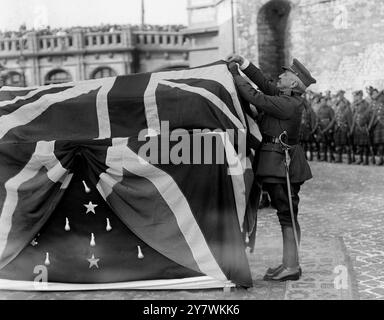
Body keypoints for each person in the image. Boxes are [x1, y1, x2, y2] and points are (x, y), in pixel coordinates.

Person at [226, 54, 315, 281]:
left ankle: (292, 266)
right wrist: (243, 63)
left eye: (284, 75)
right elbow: (264, 84)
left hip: (281, 165)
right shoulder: (287, 97)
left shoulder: (289, 104)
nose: (279, 76)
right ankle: (289, 263)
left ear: (293, 83)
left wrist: (235, 74)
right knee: (286, 214)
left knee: (287, 215)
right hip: (277, 162)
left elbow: (255, 96)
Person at [350, 90, 371, 165]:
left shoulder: (365, 103)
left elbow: (368, 114)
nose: (357, 97)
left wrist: (364, 121)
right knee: (359, 145)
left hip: (363, 126)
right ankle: (360, 159)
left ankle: (366, 160)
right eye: (356, 96)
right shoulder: (355, 104)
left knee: (364, 145)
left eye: (358, 95)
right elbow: (353, 114)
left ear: (361, 95)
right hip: (356, 126)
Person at [333, 90, 353, 163]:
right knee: (338, 144)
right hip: (338, 128)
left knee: (347, 145)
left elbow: (350, 121)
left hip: (344, 129)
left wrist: (351, 130)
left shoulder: (347, 109)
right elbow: (335, 119)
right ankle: (339, 159)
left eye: (341, 95)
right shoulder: (337, 107)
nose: (340, 104)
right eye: (339, 95)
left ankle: (349, 159)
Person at [316, 96, 336, 162]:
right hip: (322, 129)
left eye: (324, 101)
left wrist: (329, 128)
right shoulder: (319, 109)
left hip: (328, 128)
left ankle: (331, 157)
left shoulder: (330, 109)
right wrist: (319, 127)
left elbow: (333, 119)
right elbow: (318, 119)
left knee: (329, 144)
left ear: (326, 101)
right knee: (323, 144)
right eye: (321, 101)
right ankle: (324, 157)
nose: (322, 102)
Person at [368, 89, 384, 166]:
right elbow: (372, 116)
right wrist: (369, 126)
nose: (375, 95)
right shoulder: (374, 104)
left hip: (382, 124)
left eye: (376, 93)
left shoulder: (382, 101)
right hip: (376, 125)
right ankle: (380, 159)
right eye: (373, 94)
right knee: (379, 143)